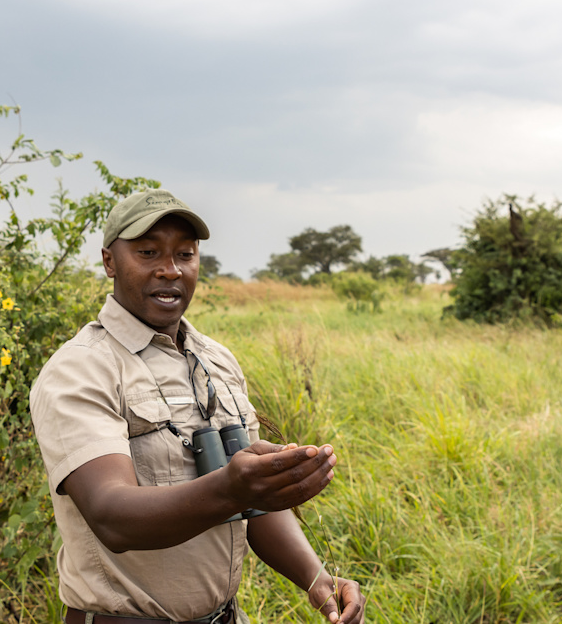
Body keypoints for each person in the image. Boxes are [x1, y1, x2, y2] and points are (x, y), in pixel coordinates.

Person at [30, 188, 365, 624]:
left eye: (185, 255)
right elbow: (112, 518)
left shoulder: (216, 360)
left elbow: (254, 504)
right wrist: (231, 488)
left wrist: (316, 578)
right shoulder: (81, 369)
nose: (170, 271)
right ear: (109, 261)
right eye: (148, 252)